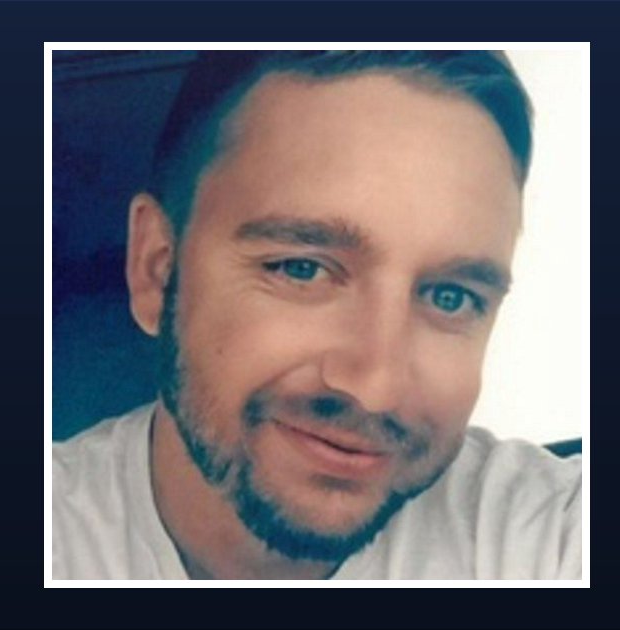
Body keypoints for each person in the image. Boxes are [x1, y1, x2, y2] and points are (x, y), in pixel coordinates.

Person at [52, 51, 582, 580]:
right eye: (302, 269)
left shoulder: (548, 534)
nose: (376, 388)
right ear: (157, 268)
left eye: (450, 297)